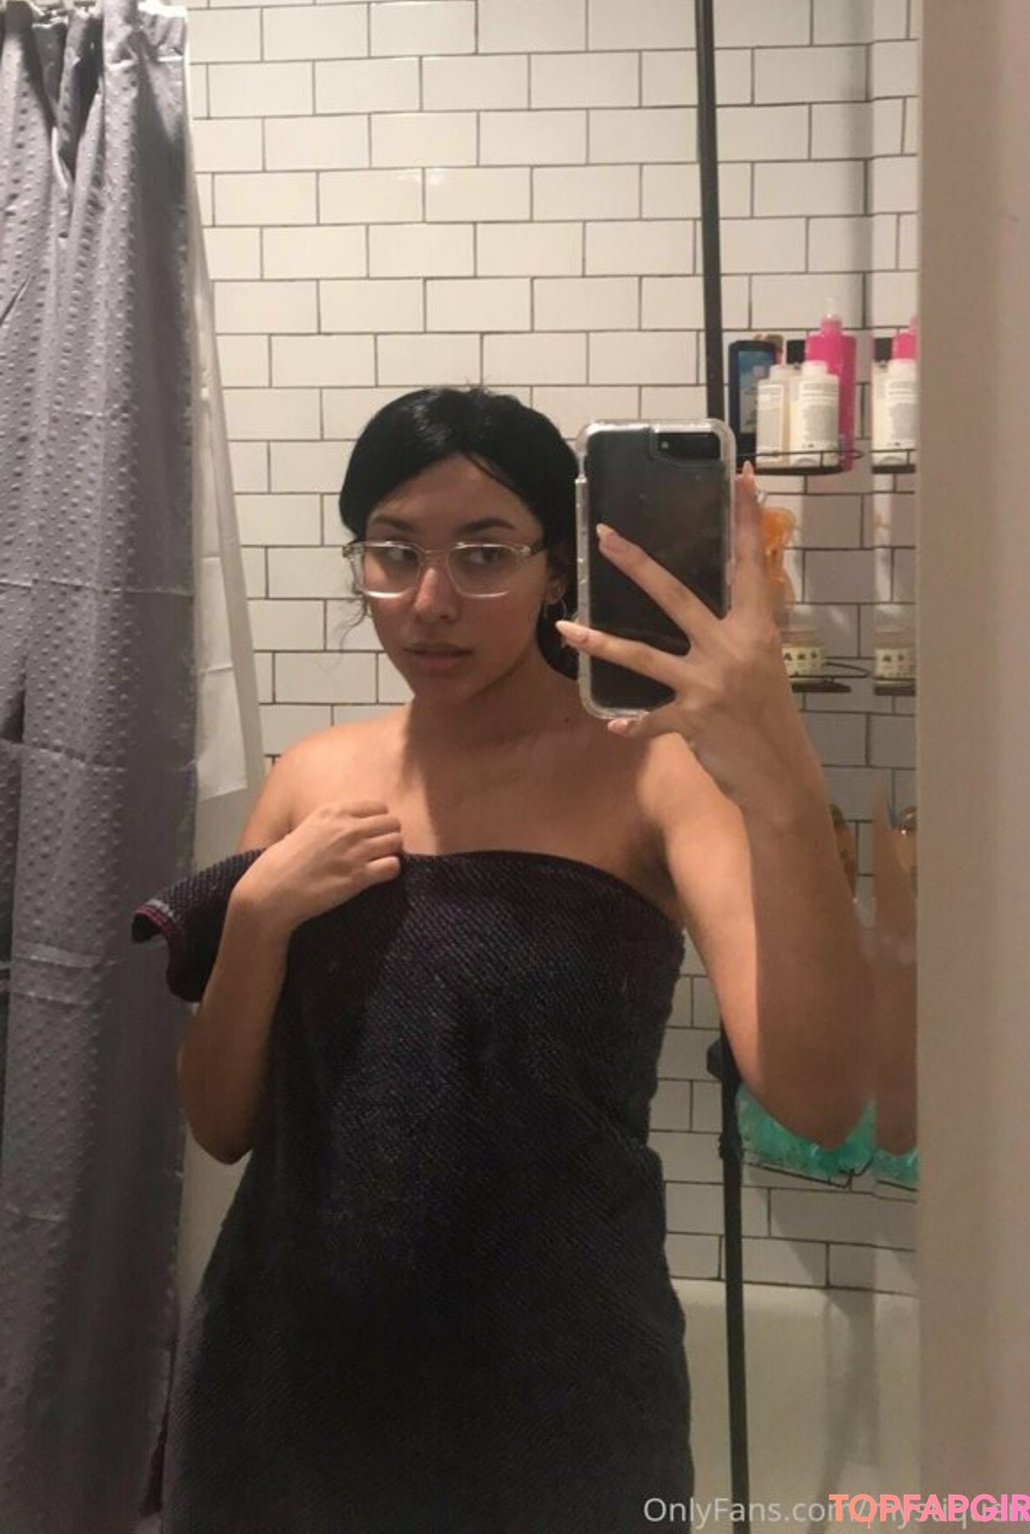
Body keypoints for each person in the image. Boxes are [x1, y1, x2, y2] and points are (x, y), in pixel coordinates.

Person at [143, 385, 872, 1534]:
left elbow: (821, 1097)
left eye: (484, 554)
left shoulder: (656, 774)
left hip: (556, 1398)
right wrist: (258, 917)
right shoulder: (311, 777)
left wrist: (779, 762)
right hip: (287, 1385)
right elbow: (219, 1121)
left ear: (558, 570)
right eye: (394, 552)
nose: (430, 601)